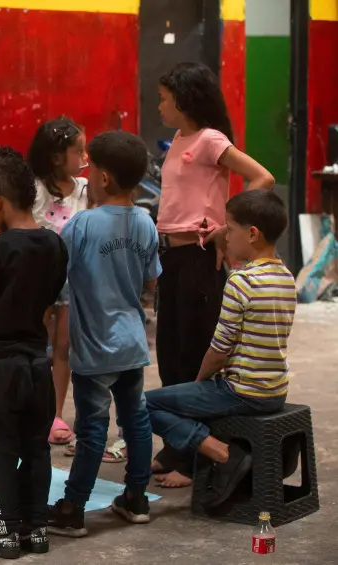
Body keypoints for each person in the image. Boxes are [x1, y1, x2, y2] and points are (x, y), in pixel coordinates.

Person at [153, 62, 275, 488]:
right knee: (169, 355)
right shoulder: (180, 140)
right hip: (170, 260)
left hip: (200, 262)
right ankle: (177, 445)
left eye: (165, 98)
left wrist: (227, 226)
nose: (160, 106)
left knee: (193, 357)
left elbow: (262, 177)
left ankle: (194, 460)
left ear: (184, 99)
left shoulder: (210, 140)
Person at [146, 190, 294, 507]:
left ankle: (220, 452)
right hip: (274, 390)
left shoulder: (241, 281)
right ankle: (216, 449)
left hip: (240, 391)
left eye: (229, 228)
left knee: (141, 405)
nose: (223, 236)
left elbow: (219, 350)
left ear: (252, 234)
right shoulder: (286, 277)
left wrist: (199, 382)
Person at [48, 131, 159, 537]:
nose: (86, 173)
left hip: (94, 348)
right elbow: (150, 283)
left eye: (90, 167)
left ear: (105, 177)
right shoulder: (146, 223)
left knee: (92, 427)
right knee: (136, 422)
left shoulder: (80, 225)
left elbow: (58, 278)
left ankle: (73, 507)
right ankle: (137, 498)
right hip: (132, 344)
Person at [0, 145, 67, 559]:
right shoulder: (55, 244)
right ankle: (36, 528)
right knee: (36, 445)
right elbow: (52, 297)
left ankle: (5, 531)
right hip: (38, 362)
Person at [27, 117, 88, 449]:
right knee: (35, 344)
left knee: (64, 347)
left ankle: (54, 412)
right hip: (38, 278)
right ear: (54, 157)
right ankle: (30, 409)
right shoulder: (34, 189)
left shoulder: (84, 189)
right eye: (77, 150)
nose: (83, 156)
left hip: (73, 277)